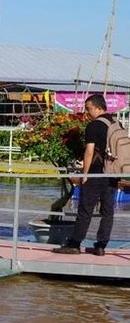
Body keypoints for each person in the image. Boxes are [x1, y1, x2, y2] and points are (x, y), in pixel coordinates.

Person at [52, 93, 118, 256]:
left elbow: (89, 152)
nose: (87, 112)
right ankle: (101, 245)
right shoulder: (117, 124)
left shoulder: (94, 126)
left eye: (89, 109)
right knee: (108, 211)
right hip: (113, 173)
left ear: (98, 107)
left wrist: (85, 174)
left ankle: (74, 244)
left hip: (96, 172)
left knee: (85, 209)